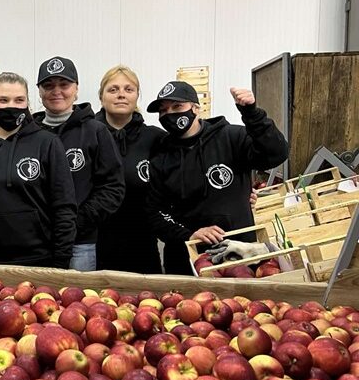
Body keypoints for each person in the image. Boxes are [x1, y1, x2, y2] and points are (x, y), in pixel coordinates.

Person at [145, 81, 289, 275]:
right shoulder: (160, 156)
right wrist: (189, 235)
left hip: (239, 255)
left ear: (196, 108)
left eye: (177, 106)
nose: (169, 114)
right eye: (163, 110)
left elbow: (276, 153)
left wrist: (252, 113)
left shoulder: (231, 137)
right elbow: (155, 212)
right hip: (185, 261)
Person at [0, 72, 77, 268]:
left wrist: (60, 263)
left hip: (40, 260)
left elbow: (64, 208)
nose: (11, 106)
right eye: (3, 100)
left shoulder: (48, 144)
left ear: (27, 103)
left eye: (19, 100)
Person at [31, 56, 125, 271]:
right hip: (35, 242)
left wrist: (75, 222)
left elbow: (113, 188)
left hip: (80, 243)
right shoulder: (29, 134)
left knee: (76, 294)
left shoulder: (95, 131)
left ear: (76, 89)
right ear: (39, 91)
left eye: (64, 84)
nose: (57, 91)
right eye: (48, 85)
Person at [94, 65, 167, 273]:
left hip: (142, 241)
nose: (121, 95)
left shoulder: (155, 138)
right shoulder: (87, 135)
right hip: (96, 243)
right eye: (113, 89)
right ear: (101, 96)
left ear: (137, 96)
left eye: (128, 89)